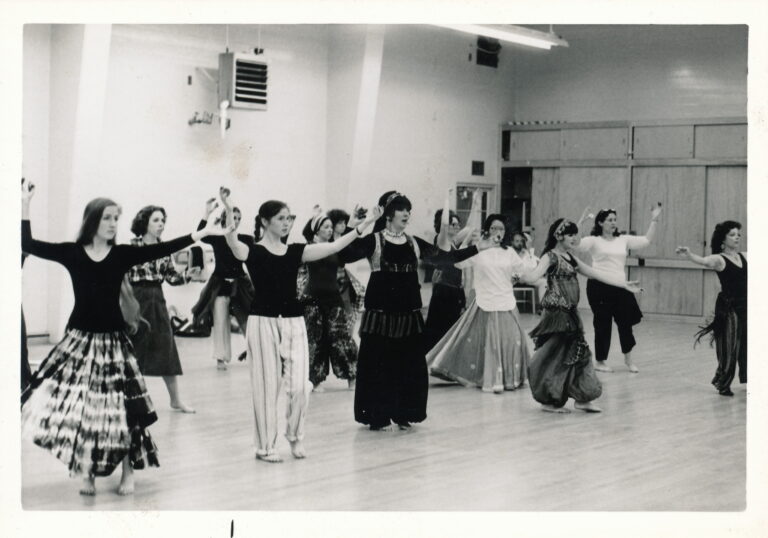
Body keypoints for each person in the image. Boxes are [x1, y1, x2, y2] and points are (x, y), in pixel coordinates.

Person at [20, 178, 229, 495]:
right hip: (80, 341)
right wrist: (25, 203)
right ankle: (88, 473)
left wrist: (199, 234)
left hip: (114, 341)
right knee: (88, 410)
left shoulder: (121, 255)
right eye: (107, 217)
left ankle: (127, 473)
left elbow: (164, 247)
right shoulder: (73, 253)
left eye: (116, 218)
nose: (113, 223)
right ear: (93, 220)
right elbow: (29, 245)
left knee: (124, 410)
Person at [220, 188, 380, 462]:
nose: (287, 222)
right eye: (281, 218)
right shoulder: (254, 251)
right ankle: (266, 446)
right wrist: (229, 207)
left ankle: (294, 436)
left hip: (294, 323)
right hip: (262, 324)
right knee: (266, 387)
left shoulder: (296, 252)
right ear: (265, 221)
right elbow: (233, 244)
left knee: (299, 387)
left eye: (289, 218)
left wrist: (364, 225)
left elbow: (333, 247)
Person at [340, 191, 500, 431]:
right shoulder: (374, 240)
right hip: (380, 315)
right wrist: (357, 224)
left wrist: (479, 247)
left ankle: (404, 412)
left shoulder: (413, 242)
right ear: (388, 213)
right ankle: (377, 415)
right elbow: (344, 253)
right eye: (401, 209)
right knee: (378, 365)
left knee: (409, 365)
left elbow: (447, 259)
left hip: (409, 315)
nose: (406, 213)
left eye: (408, 209)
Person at [521, 218, 642, 413]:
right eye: (571, 234)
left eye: (576, 234)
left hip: (571, 313)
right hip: (557, 314)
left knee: (581, 355)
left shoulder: (570, 257)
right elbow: (534, 276)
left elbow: (594, 273)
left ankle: (583, 398)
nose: (575, 238)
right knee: (556, 355)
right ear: (558, 236)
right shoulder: (550, 257)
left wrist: (623, 284)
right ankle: (549, 399)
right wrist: (520, 274)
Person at [427, 214, 531, 393]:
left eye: (501, 229)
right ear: (487, 230)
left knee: (511, 341)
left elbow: (521, 271)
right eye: (493, 228)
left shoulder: (510, 252)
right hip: (486, 301)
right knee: (487, 343)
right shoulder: (479, 250)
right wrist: (469, 243)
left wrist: (516, 276)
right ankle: (489, 377)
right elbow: (458, 264)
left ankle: (509, 378)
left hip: (506, 301)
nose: (497, 232)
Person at [127, 205, 201, 413]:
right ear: (145, 223)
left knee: (166, 350)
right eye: (156, 220)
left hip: (157, 301)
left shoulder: (163, 249)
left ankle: (175, 400)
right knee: (135, 353)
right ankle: (133, 401)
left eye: (162, 221)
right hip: (136, 301)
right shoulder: (132, 247)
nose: (161, 225)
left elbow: (171, 277)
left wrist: (188, 275)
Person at [576, 204, 662, 373]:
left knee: (626, 324)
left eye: (615, 220)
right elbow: (576, 244)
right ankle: (600, 361)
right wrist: (582, 220)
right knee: (602, 324)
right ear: (600, 223)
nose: (613, 223)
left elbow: (646, 240)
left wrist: (655, 219)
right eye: (609, 220)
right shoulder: (594, 240)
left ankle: (628, 360)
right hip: (599, 286)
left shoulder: (623, 239)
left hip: (621, 286)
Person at [676, 221, 747, 396]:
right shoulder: (719, 259)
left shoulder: (746, 256)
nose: (737, 237)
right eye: (732, 234)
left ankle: (751, 380)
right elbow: (704, 261)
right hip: (729, 307)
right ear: (723, 240)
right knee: (730, 347)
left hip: (747, 305)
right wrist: (690, 255)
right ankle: (723, 382)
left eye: (738, 234)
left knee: (749, 345)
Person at [299, 212, 360, 392]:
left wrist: (352, 225)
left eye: (330, 227)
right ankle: (315, 380)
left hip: (334, 300)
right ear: (316, 231)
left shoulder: (335, 249)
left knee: (341, 338)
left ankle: (352, 377)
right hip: (312, 301)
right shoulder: (308, 249)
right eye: (325, 227)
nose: (329, 230)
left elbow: (351, 249)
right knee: (315, 340)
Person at [191, 198, 255, 369]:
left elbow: (253, 262)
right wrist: (207, 212)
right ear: (225, 218)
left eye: (238, 218)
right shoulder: (217, 238)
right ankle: (221, 357)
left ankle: (256, 353)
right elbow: (200, 232)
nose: (236, 220)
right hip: (219, 284)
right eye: (232, 217)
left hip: (240, 284)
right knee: (220, 321)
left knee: (249, 320)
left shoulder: (246, 239)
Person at [422, 188, 477, 351]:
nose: (457, 226)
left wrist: (474, 203)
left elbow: (470, 227)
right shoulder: (442, 241)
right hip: (443, 291)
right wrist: (446, 199)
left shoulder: (454, 242)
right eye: (454, 224)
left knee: (451, 329)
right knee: (438, 330)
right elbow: (445, 224)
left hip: (454, 291)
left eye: (457, 224)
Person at [511, 230, 546, 303]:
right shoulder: (509, 252)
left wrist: (529, 250)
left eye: (521, 241)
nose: (520, 243)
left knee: (544, 282)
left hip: (526, 277)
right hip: (513, 278)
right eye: (517, 241)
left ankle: (542, 307)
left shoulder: (525, 252)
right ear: (512, 242)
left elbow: (533, 266)